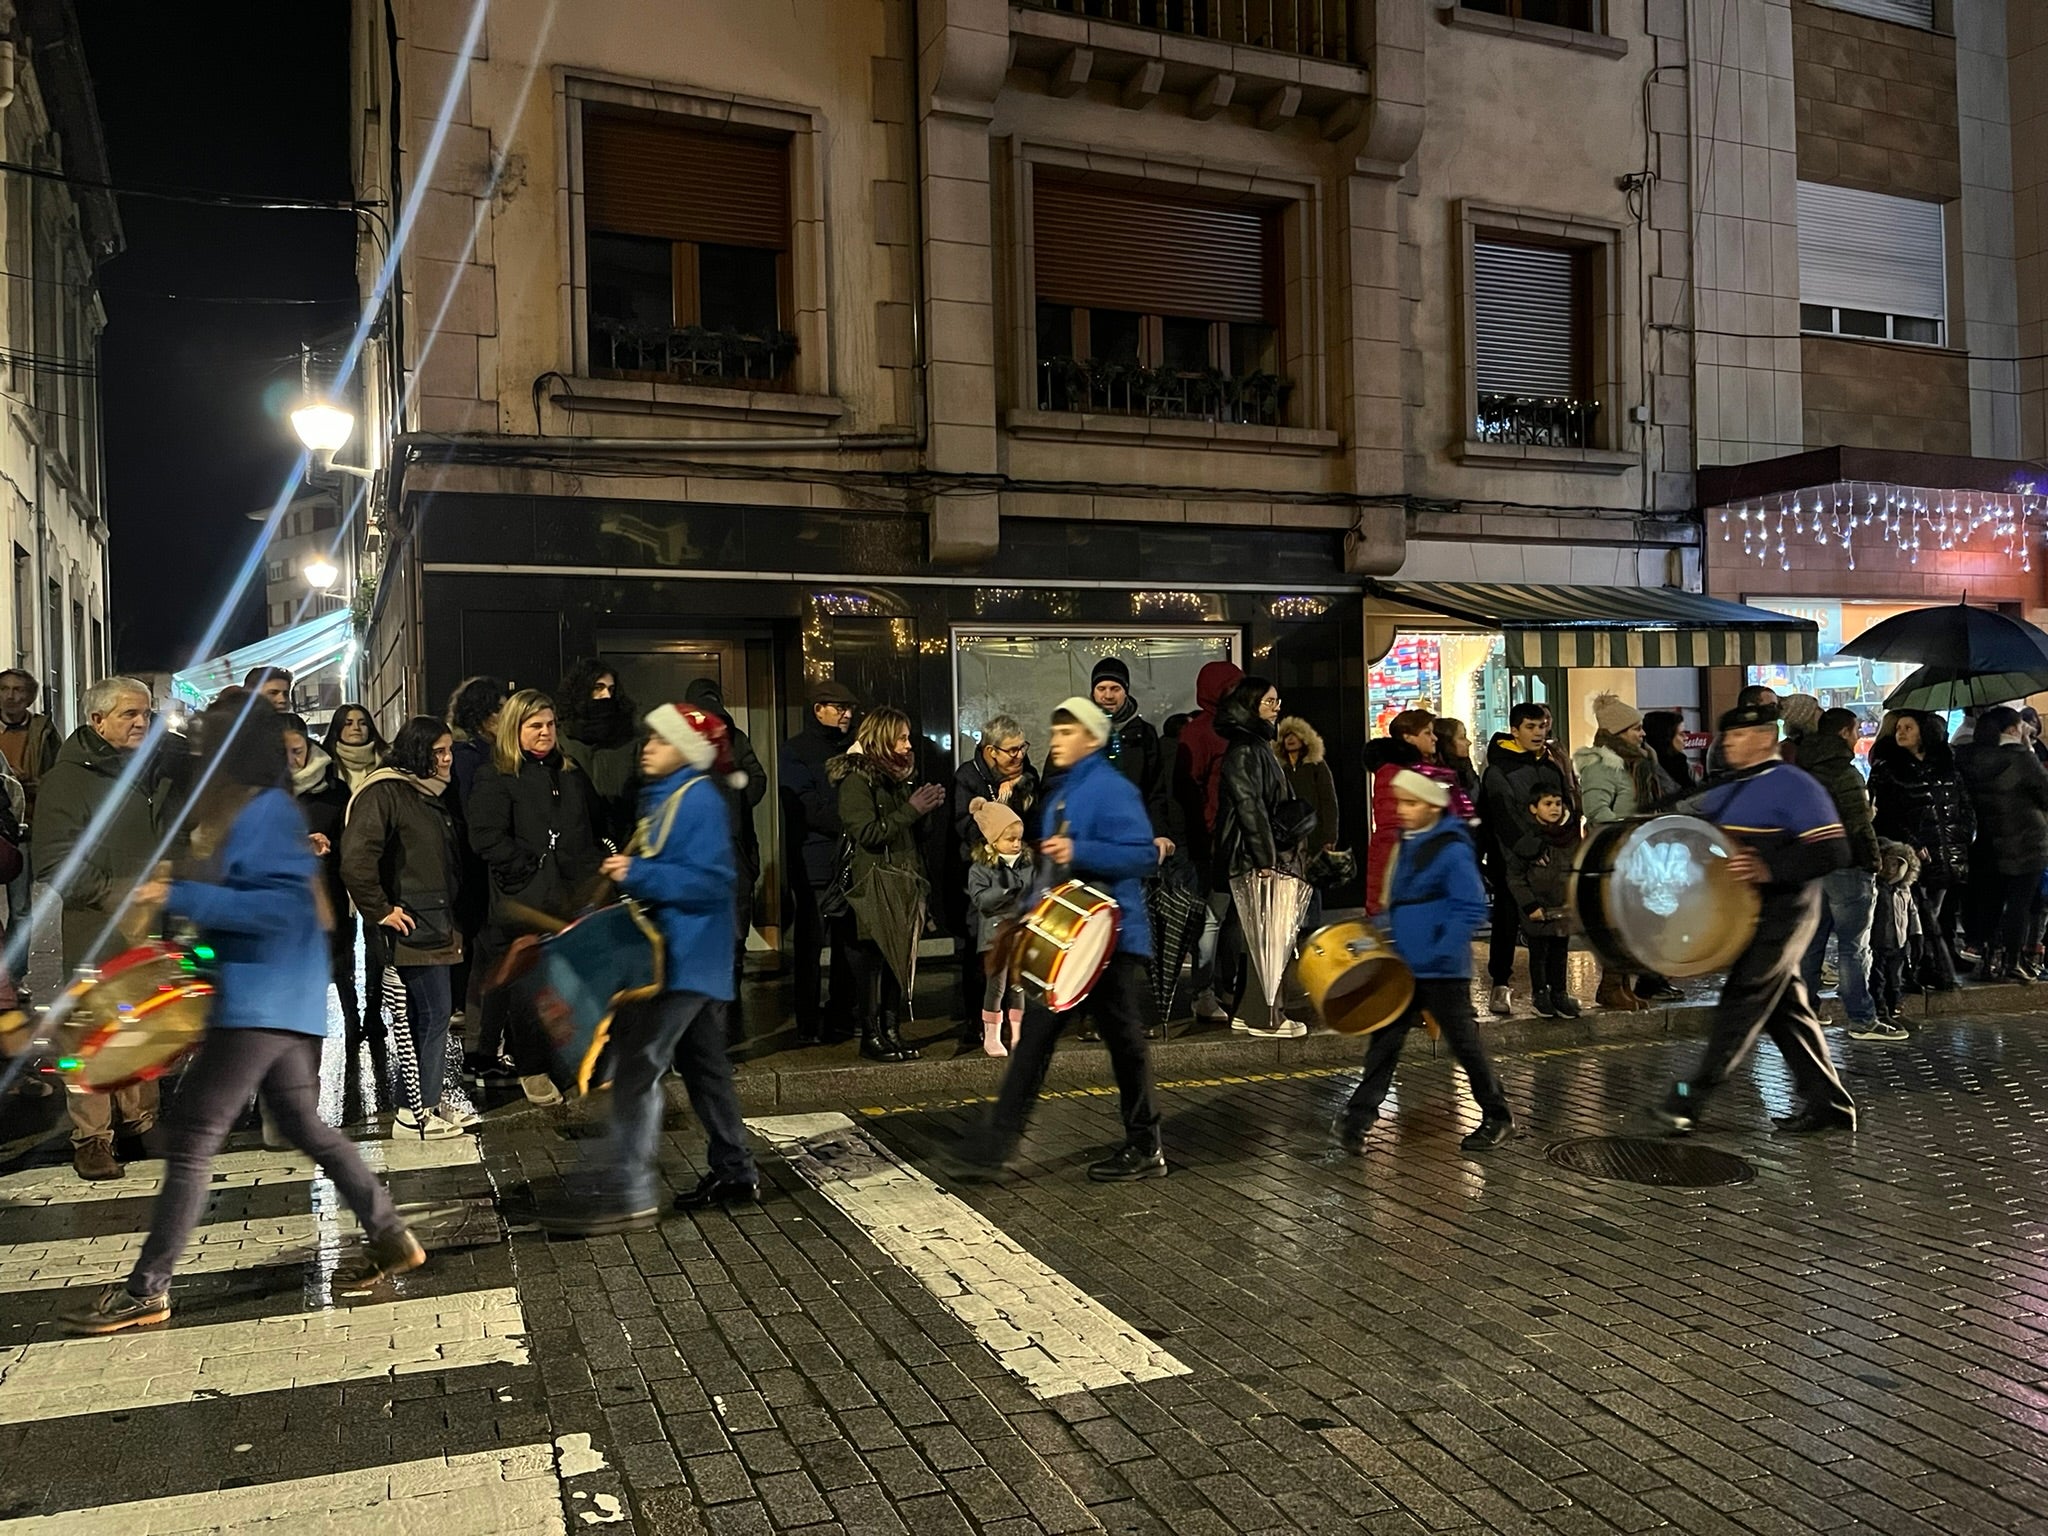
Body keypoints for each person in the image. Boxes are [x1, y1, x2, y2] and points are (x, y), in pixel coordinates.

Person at [60, 698, 425, 1334]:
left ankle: (148, 1289)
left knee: (195, 1136)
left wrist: (176, 891)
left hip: (259, 1002)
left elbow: (277, 912)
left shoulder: (260, 812)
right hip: (278, 1001)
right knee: (307, 1128)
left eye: (210, 743)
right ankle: (390, 1235)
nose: (200, 753)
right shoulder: (255, 810)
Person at [537, 703, 760, 1234]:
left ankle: (631, 1191)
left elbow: (709, 883)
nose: (648, 749)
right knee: (705, 1068)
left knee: (638, 1071)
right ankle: (736, 1170)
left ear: (685, 750)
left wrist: (638, 872)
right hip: (685, 957)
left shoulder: (697, 799)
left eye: (660, 742)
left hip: (681, 962)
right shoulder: (671, 798)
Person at [956, 697, 1165, 1181]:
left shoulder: (1111, 789)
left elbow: (1141, 856)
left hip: (1109, 939)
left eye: (1066, 733)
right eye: (1055, 733)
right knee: (1046, 1041)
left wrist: (1080, 848)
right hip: (1071, 938)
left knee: (1119, 1043)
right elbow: (1052, 875)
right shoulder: (1064, 791)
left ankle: (1142, 1144)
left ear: (1091, 738)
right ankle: (994, 1148)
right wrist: (1026, 920)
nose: (1056, 741)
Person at [1656, 702, 1856, 1136]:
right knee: (1785, 1010)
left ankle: (1688, 1099)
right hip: (1745, 912)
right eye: (1727, 737)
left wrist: (1769, 868)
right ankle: (1830, 1104)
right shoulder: (1730, 786)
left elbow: (1835, 851)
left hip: (1786, 910)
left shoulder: (1794, 785)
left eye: (1741, 736)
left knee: (1742, 1000)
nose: (1730, 743)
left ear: (1767, 738)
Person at [36, 676, 175, 1179]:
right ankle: (92, 1138)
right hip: (95, 926)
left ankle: (141, 1122)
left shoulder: (150, 768)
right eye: (129, 715)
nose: (142, 722)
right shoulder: (69, 778)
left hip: (147, 926)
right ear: (97, 721)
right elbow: (54, 862)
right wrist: (117, 891)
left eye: (145, 713)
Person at [1335, 769, 1513, 1153]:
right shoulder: (1409, 843)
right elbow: (1394, 902)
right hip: (1405, 964)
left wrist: (1440, 947)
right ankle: (1357, 1119)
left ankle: (1498, 1115)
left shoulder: (1449, 847)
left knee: (1464, 1045)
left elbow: (1471, 906)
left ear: (1433, 806)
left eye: (1412, 803)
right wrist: (1381, 938)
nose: (1404, 810)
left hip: (1441, 969)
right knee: (1384, 1043)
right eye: (1401, 802)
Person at [341, 716, 477, 1135]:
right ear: (417, 752)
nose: (447, 759)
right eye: (438, 752)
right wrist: (381, 910)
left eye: (449, 750)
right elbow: (357, 859)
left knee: (430, 1014)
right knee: (429, 1013)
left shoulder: (425, 793)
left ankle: (428, 1102)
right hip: (412, 924)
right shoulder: (387, 792)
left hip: (434, 919)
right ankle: (410, 1110)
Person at [466, 689, 604, 1081]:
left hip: (571, 897)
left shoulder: (570, 772)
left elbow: (591, 826)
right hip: (524, 899)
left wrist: (588, 871)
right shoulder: (496, 775)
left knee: (568, 987)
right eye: (535, 726)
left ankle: (571, 1064)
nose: (545, 733)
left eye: (550, 725)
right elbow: (486, 837)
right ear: (516, 728)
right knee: (528, 990)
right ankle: (533, 1070)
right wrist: (527, 867)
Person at [831, 706, 946, 1062]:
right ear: (882, 739)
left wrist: (923, 810)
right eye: (901, 737)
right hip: (873, 883)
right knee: (871, 963)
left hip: (904, 880)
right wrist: (912, 808)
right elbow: (866, 833)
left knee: (900, 958)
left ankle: (892, 1030)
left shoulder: (898, 778)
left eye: (908, 737)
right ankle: (872, 1034)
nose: (908, 745)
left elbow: (912, 833)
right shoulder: (857, 780)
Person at [283, 712, 385, 1077]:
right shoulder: (259, 793)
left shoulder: (333, 788)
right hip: (282, 901)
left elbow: (350, 836)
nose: (292, 759)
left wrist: (331, 845)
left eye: (298, 750)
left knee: (340, 958)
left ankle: (354, 1017)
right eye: (283, 752)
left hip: (328, 888)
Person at [1573, 694, 1680, 1011]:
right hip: (1614, 853)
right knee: (1618, 922)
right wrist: (1634, 825)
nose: (1642, 733)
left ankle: (1622, 985)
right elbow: (1596, 810)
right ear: (1618, 733)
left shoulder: (1644, 762)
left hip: (1640, 851)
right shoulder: (1601, 766)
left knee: (1636, 922)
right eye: (1634, 728)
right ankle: (1610, 987)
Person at [1212, 675, 1300, 1038]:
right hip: (1251, 858)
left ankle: (1254, 1011)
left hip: (1255, 855)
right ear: (1251, 706)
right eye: (1269, 702)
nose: (1276, 708)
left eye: (1277, 701)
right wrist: (1265, 859)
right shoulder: (1247, 749)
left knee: (1257, 934)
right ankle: (1260, 1014)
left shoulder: (1255, 745)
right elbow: (1250, 807)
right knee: (1260, 937)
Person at [683, 677, 768, 1037]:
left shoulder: (736, 738)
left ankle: (723, 1029)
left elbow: (757, 779)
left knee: (732, 947)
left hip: (734, 859)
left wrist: (733, 800)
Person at [1476, 703, 1572, 1016]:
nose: (1539, 733)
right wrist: (1531, 849)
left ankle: (1553, 990)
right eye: (1531, 727)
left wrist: (1560, 845)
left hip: (1551, 860)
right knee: (1507, 921)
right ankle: (1500, 985)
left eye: (1542, 726)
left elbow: (1566, 805)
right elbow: (1503, 816)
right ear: (1515, 730)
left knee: (1553, 925)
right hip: (1512, 859)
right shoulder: (1499, 770)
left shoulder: (1550, 765)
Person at [1866, 709, 1970, 992]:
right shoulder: (1888, 769)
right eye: (1898, 727)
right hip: (1911, 857)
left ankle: (1931, 967)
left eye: (1908, 727)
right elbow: (1884, 814)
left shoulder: (1946, 765)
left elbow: (1962, 805)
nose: (1901, 732)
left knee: (1935, 914)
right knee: (1914, 917)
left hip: (1946, 854)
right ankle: (1916, 970)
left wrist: (1964, 835)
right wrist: (1912, 844)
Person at [1795, 707, 1882, 1033]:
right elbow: (1858, 826)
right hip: (1847, 866)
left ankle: (1806, 1011)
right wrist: (1874, 860)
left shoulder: (1802, 769)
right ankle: (1862, 1018)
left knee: (1812, 944)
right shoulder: (1846, 775)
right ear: (1844, 732)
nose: (1859, 735)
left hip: (1813, 865)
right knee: (1853, 947)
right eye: (1856, 729)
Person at [780, 679, 857, 1045]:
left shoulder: (855, 749)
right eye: (839, 708)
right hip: (813, 860)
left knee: (848, 944)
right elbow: (806, 808)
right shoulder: (796, 750)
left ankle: (841, 1015)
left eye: (850, 709)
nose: (847, 715)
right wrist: (851, 815)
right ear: (818, 709)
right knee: (810, 945)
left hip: (850, 858)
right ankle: (807, 1022)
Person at [1172, 660, 1243, 1024]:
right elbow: (1190, 788)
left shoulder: (1239, 728)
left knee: (1235, 919)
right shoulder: (1200, 732)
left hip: (1240, 839)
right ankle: (1203, 991)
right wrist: (1207, 829)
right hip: (1214, 840)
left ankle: (1229, 986)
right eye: (1232, 688)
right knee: (1212, 919)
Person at [1958, 704, 2048, 982]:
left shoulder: (1971, 756)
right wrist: (2030, 749)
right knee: (2020, 905)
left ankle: (1987, 958)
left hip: (1989, 842)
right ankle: (2012, 960)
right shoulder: (2022, 758)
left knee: (1991, 902)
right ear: (2012, 729)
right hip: (2026, 843)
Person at [445, 675, 508, 1044]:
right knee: (481, 949)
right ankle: (479, 1041)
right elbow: (472, 816)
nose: (506, 715)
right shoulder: (469, 756)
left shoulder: (491, 751)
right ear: (482, 715)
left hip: (482, 866)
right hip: (475, 867)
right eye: (500, 709)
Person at [1504, 785, 1581, 1020]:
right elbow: (1515, 876)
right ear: (1533, 808)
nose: (1555, 809)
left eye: (1558, 803)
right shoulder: (1528, 839)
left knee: (1560, 952)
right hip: (1538, 907)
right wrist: (1529, 905)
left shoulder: (1569, 837)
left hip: (1563, 906)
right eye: (1548, 804)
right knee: (1539, 953)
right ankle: (1540, 995)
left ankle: (1559, 993)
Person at [965, 795, 1033, 1057]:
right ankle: (991, 1035)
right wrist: (1005, 890)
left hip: (1021, 932)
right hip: (996, 934)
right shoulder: (982, 868)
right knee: (997, 986)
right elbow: (981, 900)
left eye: (1018, 838)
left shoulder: (1026, 863)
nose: (1016, 844)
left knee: (1019, 985)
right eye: (1010, 839)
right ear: (993, 840)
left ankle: (1017, 1033)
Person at [0, 667, 59, 947]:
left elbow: (59, 773)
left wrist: (34, 784)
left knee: (21, 908)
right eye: (4, 689)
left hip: (24, 828)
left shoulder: (43, 731)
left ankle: (17, 974)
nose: (10, 696)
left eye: (18, 690)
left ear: (29, 696)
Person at [556, 658, 641, 846]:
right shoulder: (561, 738)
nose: (606, 696)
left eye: (611, 689)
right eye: (598, 687)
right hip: (574, 846)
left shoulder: (629, 740)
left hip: (622, 845)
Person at [1091, 657, 1172, 846]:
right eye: (1101, 688)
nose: (1108, 695)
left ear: (1126, 692)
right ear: (1093, 692)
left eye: (1115, 688)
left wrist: (1159, 832)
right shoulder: (1077, 730)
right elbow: (1056, 783)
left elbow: (1156, 790)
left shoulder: (1144, 733)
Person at [1363, 710, 1436, 916]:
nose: (1434, 738)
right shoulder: (1397, 772)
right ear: (1408, 737)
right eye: (1427, 733)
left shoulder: (1414, 769)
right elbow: (1393, 829)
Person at [1867, 839, 1919, 1037]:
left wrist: (1916, 935)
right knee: (1878, 981)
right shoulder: (1876, 888)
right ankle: (1880, 1012)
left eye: (1896, 864)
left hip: (1898, 942)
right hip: (1878, 942)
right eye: (1887, 863)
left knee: (1894, 980)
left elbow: (1912, 912)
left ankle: (1894, 1011)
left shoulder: (1903, 890)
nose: (1890, 869)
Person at [1276, 715, 1338, 855]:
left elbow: (1328, 802)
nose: (1290, 739)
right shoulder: (1279, 768)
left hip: (1313, 834)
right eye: (1286, 736)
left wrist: (1329, 837)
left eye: (1295, 735)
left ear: (1304, 739)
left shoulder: (1316, 766)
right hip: (1286, 835)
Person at [1643, 710, 1695, 791]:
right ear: (1667, 737)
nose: (1686, 738)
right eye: (1681, 734)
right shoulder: (1648, 769)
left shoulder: (1683, 763)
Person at [1432, 717, 1479, 806]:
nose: (1469, 743)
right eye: (1462, 738)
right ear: (1446, 743)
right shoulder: (1437, 777)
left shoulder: (1466, 769)